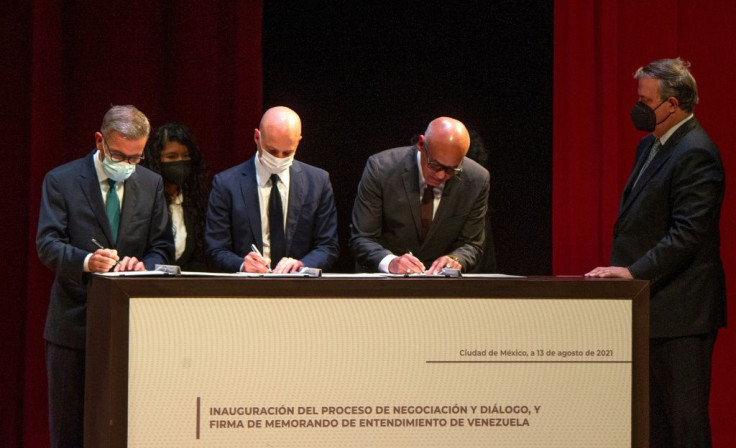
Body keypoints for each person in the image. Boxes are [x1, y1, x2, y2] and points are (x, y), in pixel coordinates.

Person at [585, 58, 725, 447]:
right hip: (653, 307)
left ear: (673, 105)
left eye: (645, 101)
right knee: (653, 423)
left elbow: (688, 233)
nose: (638, 108)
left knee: (684, 421)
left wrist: (633, 272)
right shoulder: (651, 145)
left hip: (682, 312)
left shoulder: (696, 152)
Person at [36, 105, 173, 446]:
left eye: (135, 158)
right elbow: (47, 244)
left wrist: (143, 266)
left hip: (132, 328)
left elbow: (161, 248)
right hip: (73, 326)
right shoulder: (61, 180)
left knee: (124, 430)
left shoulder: (151, 183)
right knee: (69, 432)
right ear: (99, 141)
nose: (126, 165)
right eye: (118, 155)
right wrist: (86, 261)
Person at [205, 106, 339, 273]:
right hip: (246, 289)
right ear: (256, 137)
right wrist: (242, 265)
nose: (279, 159)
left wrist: (302, 265)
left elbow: (328, 245)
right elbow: (216, 248)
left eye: (287, 152)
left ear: (298, 142)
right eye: (272, 151)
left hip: (300, 289)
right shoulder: (226, 184)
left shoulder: (318, 181)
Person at [350, 116, 490, 274]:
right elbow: (362, 238)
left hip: (441, 287)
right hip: (383, 283)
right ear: (421, 144)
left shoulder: (477, 179)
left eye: (451, 169)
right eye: (435, 165)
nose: (441, 176)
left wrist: (456, 259)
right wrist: (390, 262)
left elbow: (472, 244)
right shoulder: (381, 169)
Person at [143, 123, 209, 271]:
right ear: (156, 160)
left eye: (185, 156)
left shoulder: (195, 202)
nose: (180, 161)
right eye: (172, 156)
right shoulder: (145, 200)